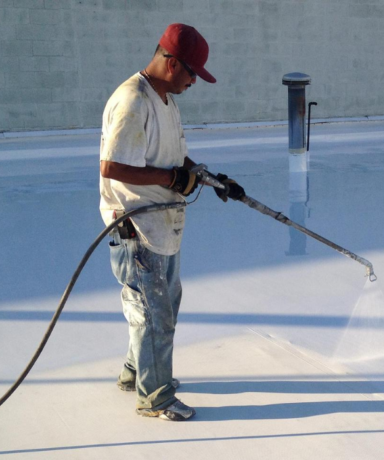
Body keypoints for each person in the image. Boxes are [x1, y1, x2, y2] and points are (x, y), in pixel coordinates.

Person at [99, 23, 245, 421]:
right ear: (171, 62)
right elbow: (112, 167)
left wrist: (208, 177)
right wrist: (171, 180)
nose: (195, 81)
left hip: (162, 223)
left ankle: (136, 372)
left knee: (158, 306)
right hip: (138, 226)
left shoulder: (164, 98)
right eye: (192, 72)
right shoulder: (133, 101)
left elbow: (169, 155)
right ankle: (156, 397)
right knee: (154, 313)